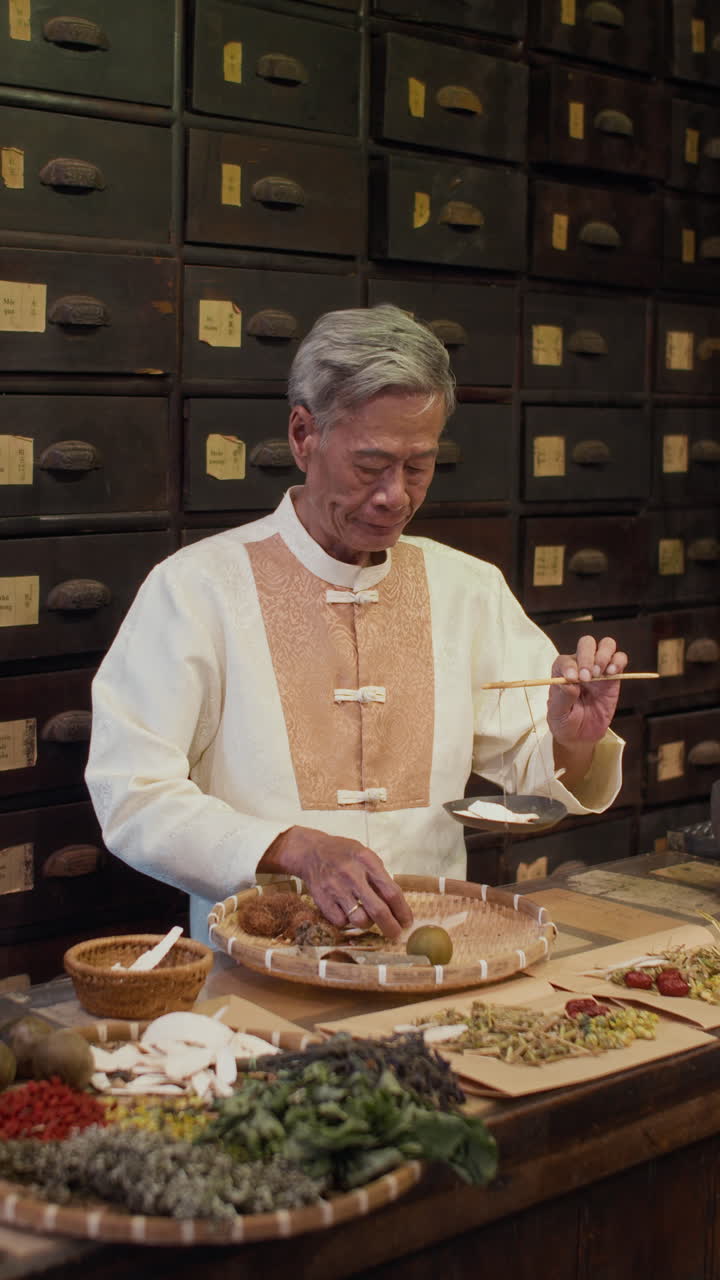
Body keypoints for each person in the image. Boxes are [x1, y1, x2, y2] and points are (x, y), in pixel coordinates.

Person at [86, 305, 626, 944]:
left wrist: (572, 739)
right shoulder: (197, 588)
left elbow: (534, 776)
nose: (395, 494)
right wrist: (293, 847)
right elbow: (131, 794)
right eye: (371, 465)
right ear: (302, 435)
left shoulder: (466, 588)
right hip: (260, 958)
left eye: (419, 466)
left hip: (430, 949)